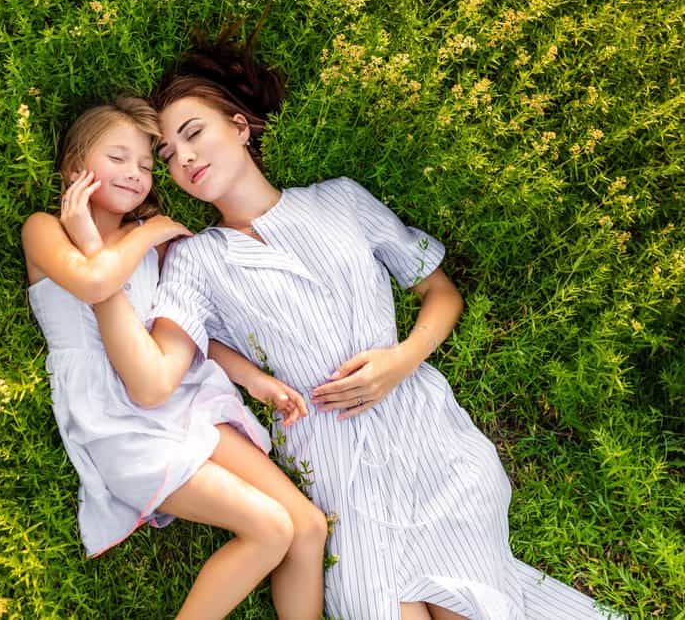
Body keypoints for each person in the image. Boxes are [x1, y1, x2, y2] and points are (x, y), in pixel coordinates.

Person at [90, 37, 620, 619]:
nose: (183, 159)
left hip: (430, 443)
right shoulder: (192, 258)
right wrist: (98, 275)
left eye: (194, 133)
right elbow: (173, 363)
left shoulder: (341, 200)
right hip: (335, 470)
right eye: (167, 154)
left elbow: (439, 292)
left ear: (241, 127)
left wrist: (402, 359)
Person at [21, 97, 327, 620]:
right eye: (117, 158)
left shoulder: (157, 254)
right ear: (75, 170)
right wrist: (152, 229)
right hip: (118, 424)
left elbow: (188, 332)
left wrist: (253, 380)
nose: (135, 174)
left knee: (307, 525)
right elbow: (96, 281)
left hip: (187, 400)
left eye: (145, 165)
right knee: (269, 528)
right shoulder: (45, 230)